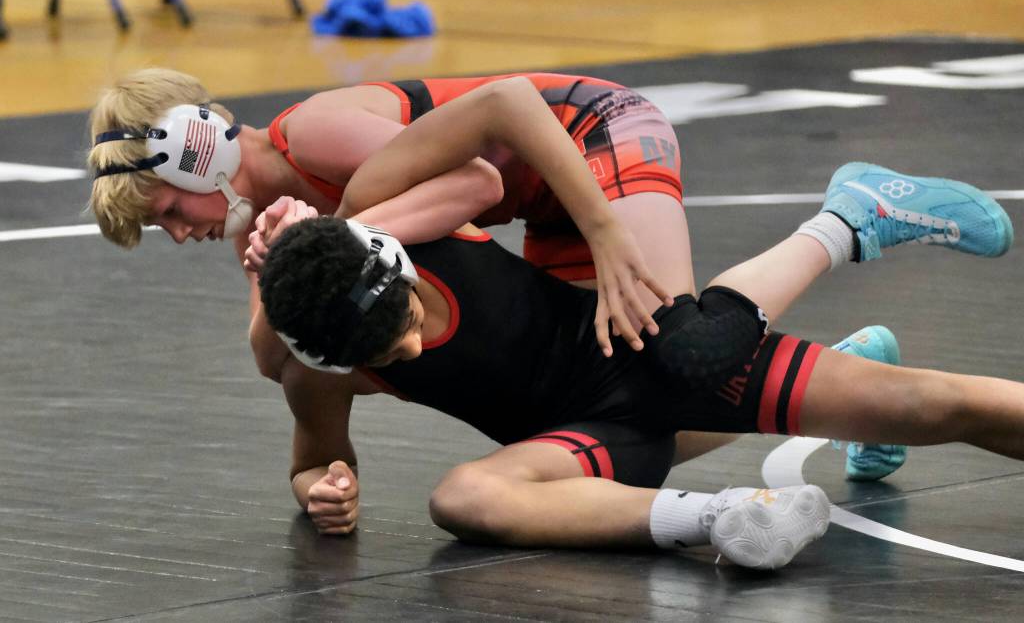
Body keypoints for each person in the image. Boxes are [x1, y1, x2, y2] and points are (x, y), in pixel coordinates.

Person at [255, 161, 1017, 569]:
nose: (413, 352)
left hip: (646, 353)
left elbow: (491, 158)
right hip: (585, 446)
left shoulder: (417, 224)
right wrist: (324, 490)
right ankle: (726, 517)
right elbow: (316, 460)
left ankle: (852, 217)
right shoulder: (318, 367)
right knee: (463, 497)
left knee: (941, 406)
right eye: (390, 359)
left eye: (410, 324)